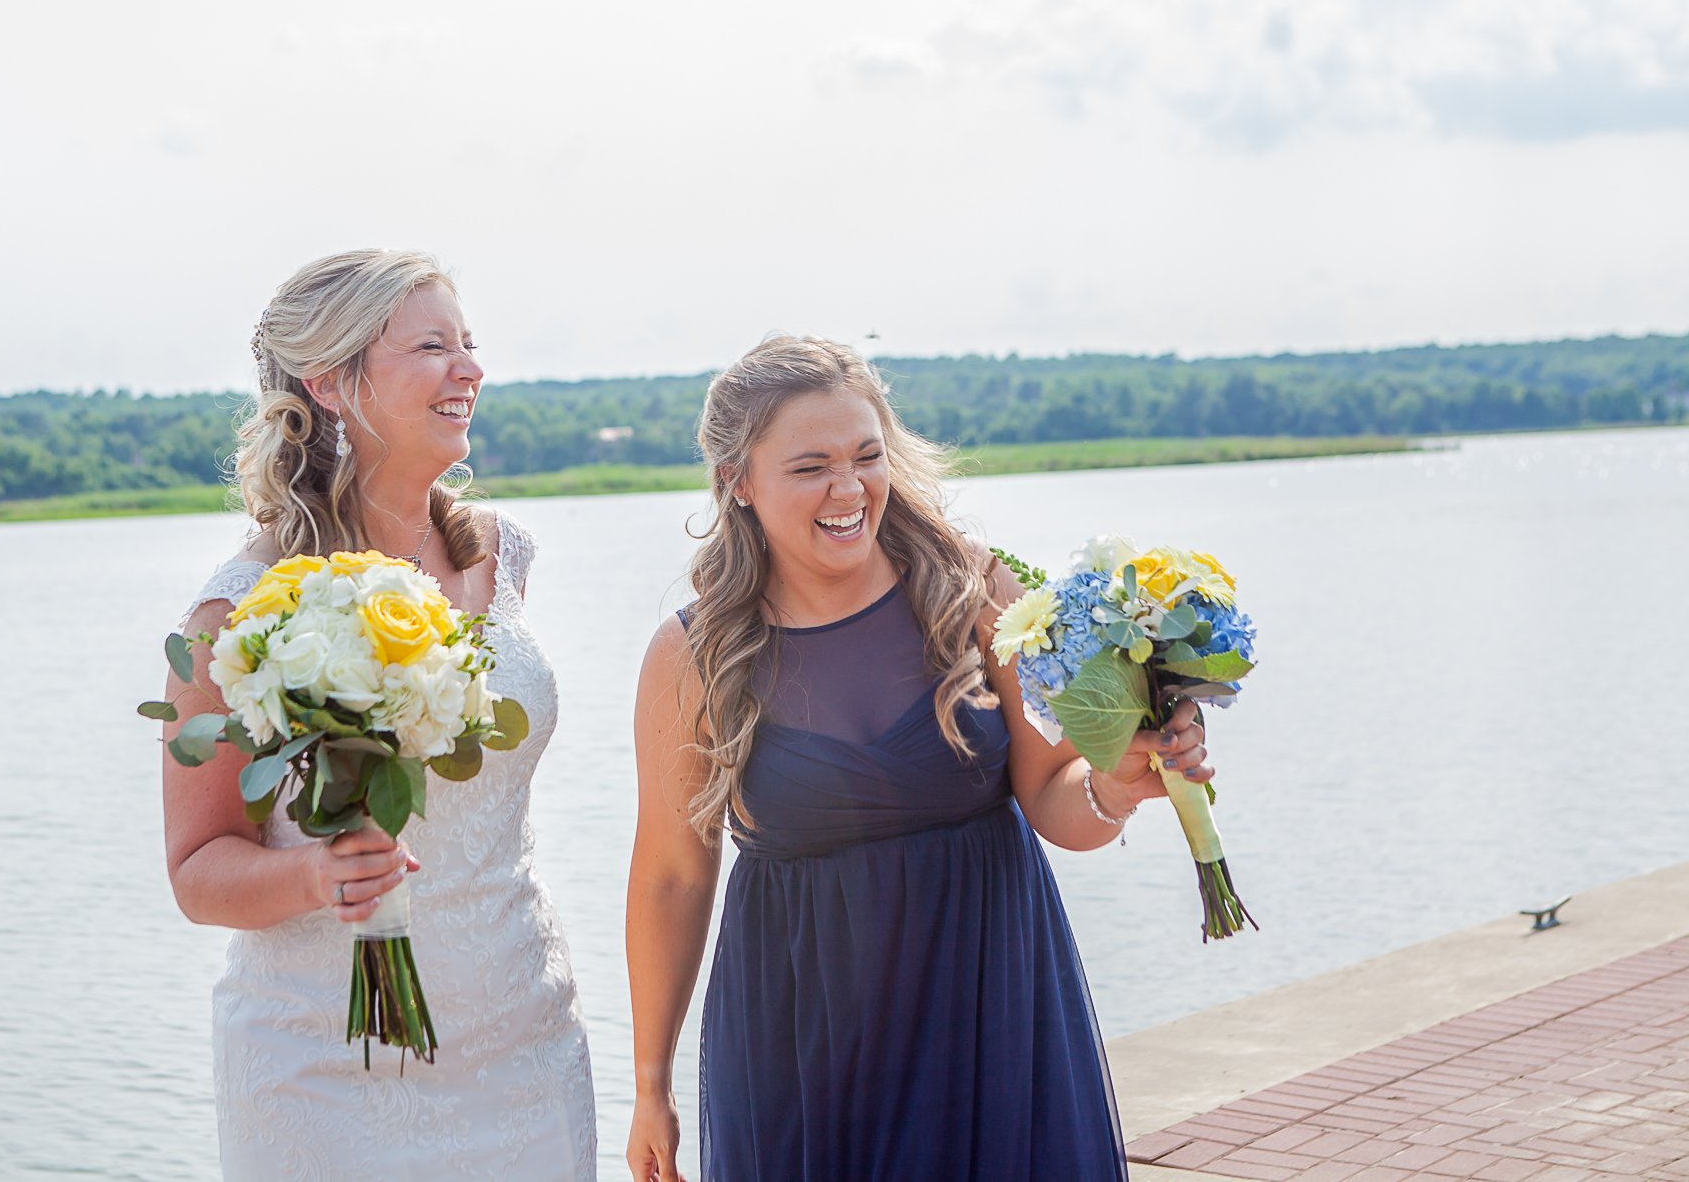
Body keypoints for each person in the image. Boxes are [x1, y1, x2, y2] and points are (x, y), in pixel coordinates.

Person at [624, 336, 1213, 1182]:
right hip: (799, 1045)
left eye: (867, 456)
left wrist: (1117, 786)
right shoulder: (692, 655)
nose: (848, 489)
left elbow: (1053, 795)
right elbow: (671, 878)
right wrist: (651, 1084)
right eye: (811, 466)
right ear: (737, 482)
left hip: (989, 1016)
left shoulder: (973, 590)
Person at [162, 250, 596, 1180]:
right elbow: (197, 872)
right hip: (324, 1074)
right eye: (433, 347)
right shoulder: (241, 612)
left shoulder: (500, 557)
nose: (470, 367)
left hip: (525, 1037)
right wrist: (316, 873)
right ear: (329, 381)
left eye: (469, 342)